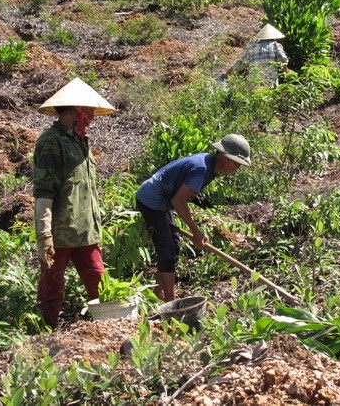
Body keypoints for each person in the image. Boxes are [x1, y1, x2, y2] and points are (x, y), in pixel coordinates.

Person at [33, 77, 116, 328]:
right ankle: (44, 334)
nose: (92, 117)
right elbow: (44, 192)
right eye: (88, 111)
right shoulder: (51, 142)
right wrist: (44, 235)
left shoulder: (81, 141)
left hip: (85, 230)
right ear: (75, 110)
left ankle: (109, 327)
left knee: (100, 282)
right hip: (60, 232)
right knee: (52, 285)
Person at [135, 134, 251, 302]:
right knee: (167, 252)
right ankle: (170, 303)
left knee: (174, 246)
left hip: (162, 201)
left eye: (240, 164)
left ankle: (157, 293)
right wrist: (196, 232)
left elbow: (177, 198)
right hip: (151, 200)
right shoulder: (201, 168)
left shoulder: (210, 167)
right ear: (222, 154)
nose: (237, 167)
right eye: (235, 161)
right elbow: (178, 200)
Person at [223, 23, 288, 88]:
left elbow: (241, 63)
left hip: (254, 85)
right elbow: (282, 59)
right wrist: (286, 71)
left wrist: (227, 74)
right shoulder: (276, 46)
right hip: (271, 84)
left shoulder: (252, 47)